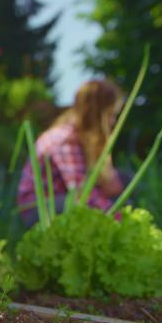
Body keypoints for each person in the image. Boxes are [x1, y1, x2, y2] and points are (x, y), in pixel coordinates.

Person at [17, 79, 126, 226]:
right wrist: (119, 219)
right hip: (37, 208)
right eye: (110, 114)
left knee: (126, 181)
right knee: (82, 204)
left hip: (61, 197)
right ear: (95, 114)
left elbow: (112, 186)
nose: (113, 121)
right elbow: (82, 193)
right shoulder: (64, 139)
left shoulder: (81, 139)